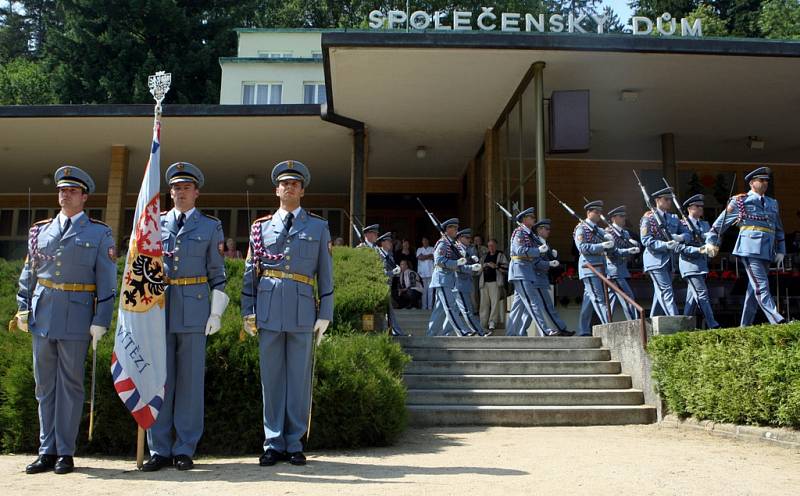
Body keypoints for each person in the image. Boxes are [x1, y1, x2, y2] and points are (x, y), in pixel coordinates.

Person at [13, 166, 116, 475]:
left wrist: (101, 319)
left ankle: (65, 452)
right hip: (43, 312)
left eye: (72, 190)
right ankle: (46, 450)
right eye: (62, 190)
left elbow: (106, 281)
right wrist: (22, 307)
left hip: (77, 314)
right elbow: (29, 274)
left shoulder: (99, 232)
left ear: (84, 197)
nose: (65, 194)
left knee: (70, 385)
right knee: (43, 385)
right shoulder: (39, 230)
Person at [241, 160, 333, 467]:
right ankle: (272, 442)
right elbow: (249, 273)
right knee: (272, 379)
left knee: (298, 379)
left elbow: (325, 272)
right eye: (284, 183)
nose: (289, 187)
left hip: (303, 309)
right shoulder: (260, 227)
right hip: (268, 308)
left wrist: (326, 313)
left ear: (302, 191)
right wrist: (247, 310)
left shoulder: (318, 226)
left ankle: (294, 442)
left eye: (295, 183)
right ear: (276, 190)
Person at [144, 162, 228, 472]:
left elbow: (218, 275)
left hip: (194, 309)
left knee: (190, 383)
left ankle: (184, 448)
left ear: (197, 193)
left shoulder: (209, 227)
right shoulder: (155, 223)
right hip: (158, 310)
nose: (180, 192)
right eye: (176, 188)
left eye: (186, 188)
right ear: (170, 192)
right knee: (159, 381)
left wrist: (216, 312)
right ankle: (159, 449)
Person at [707, 166, 785, 326]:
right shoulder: (740, 201)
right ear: (751, 183)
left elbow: (778, 228)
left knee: (753, 289)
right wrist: (711, 242)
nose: (765, 184)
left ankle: (744, 327)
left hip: (767, 250)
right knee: (762, 286)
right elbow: (719, 224)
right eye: (761, 180)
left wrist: (781, 250)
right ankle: (777, 320)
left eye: (767, 181)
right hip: (750, 249)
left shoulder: (772, 203)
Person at [506, 207, 564, 337]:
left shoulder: (529, 235)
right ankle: (545, 330)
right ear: (524, 219)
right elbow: (519, 251)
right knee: (533, 302)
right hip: (520, 270)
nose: (534, 219)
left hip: (526, 270)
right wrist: (538, 251)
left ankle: (510, 333)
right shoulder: (519, 233)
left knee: (517, 306)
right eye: (531, 217)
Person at [676, 194, 720, 329]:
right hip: (689, 265)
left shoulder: (705, 224)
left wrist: (712, 245)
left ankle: (683, 327)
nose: (701, 209)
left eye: (702, 206)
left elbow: (711, 238)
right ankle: (713, 324)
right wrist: (701, 249)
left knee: (691, 299)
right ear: (690, 208)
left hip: (701, 265)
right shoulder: (682, 224)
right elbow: (679, 247)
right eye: (697, 206)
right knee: (702, 294)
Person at [640, 188, 683, 317]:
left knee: (660, 294)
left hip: (669, 261)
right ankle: (675, 320)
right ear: (657, 201)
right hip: (655, 260)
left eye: (670, 199)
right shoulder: (649, 218)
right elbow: (646, 240)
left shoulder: (674, 218)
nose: (669, 202)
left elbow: (686, 232)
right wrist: (665, 244)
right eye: (666, 199)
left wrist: (680, 237)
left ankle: (651, 328)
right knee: (666, 291)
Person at [426, 218, 472, 337]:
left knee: (439, 309)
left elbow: (457, 263)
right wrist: (456, 263)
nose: (457, 230)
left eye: (457, 228)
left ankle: (431, 334)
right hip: (442, 278)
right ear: (447, 230)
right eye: (454, 228)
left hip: (448, 279)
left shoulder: (451, 244)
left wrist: (470, 267)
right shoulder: (443, 243)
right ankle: (462, 331)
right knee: (450, 307)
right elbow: (439, 261)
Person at [574, 201, 614, 336]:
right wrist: (602, 246)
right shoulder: (582, 228)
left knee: (588, 303)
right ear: (588, 213)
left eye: (599, 212)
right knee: (599, 299)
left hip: (599, 268)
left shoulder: (599, 230)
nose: (598, 215)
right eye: (595, 212)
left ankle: (583, 330)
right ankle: (608, 327)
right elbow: (583, 247)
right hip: (589, 268)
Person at [530, 219, 574, 336]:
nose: (549, 231)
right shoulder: (536, 243)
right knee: (546, 305)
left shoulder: (545, 243)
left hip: (542, 277)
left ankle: (515, 332)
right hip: (537, 278)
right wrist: (548, 264)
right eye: (546, 229)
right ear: (539, 230)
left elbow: (552, 260)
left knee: (526, 309)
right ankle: (561, 328)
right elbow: (535, 262)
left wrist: (555, 256)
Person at [444, 228, 485, 336]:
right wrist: (471, 267)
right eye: (466, 238)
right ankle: (480, 332)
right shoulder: (455, 249)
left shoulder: (469, 249)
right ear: (460, 238)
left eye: (469, 238)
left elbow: (472, 262)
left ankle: (445, 333)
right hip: (459, 282)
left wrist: (474, 263)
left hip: (466, 282)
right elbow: (457, 266)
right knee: (467, 309)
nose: (469, 240)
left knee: (455, 311)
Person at [605, 206, 641, 320]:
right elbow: (612, 253)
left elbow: (630, 247)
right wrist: (628, 250)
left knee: (611, 301)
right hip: (614, 270)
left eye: (624, 216)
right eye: (621, 216)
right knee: (628, 297)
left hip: (622, 269)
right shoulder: (608, 232)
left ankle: (605, 322)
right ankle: (634, 323)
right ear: (613, 218)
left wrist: (635, 245)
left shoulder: (625, 233)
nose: (624, 219)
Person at [377, 231, 406, 335]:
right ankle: (395, 331)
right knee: (387, 310)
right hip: (381, 286)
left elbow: (392, 270)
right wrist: (392, 272)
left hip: (388, 286)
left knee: (388, 310)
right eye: (389, 241)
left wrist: (396, 271)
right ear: (383, 242)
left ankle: (391, 331)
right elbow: (379, 272)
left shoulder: (390, 255)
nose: (391, 243)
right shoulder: (378, 254)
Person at [479, 238, 508, 332]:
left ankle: (492, 322)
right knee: (484, 304)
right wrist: (483, 266)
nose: (491, 247)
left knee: (494, 303)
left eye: (492, 245)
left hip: (495, 282)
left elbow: (506, 268)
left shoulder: (500, 255)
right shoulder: (484, 256)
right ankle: (483, 323)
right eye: (489, 246)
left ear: (496, 246)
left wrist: (495, 266)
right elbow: (477, 270)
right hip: (484, 283)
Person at [416, 236, 435, 310]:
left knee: (430, 291)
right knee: (424, 291)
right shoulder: (419, 249)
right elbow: (420, 257)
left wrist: (424, 256)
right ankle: (424, 307)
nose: (425, 242)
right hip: (422, 273)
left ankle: (430, 307)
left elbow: (433, 256)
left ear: (428, 241)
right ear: (422, 242)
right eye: (424, 240)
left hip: (430, 272)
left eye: (426, 240)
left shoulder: (432, 248)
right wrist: (428, 256)